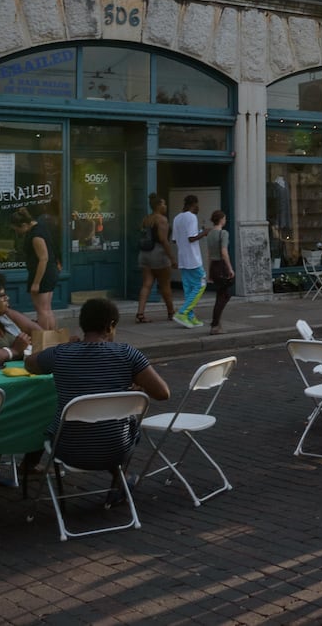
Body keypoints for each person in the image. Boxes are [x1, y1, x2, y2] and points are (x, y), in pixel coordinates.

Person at [26, 297, 169, 489]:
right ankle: (121, 477)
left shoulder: (61, 353)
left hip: (68, 450)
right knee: (118, 424)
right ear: (111, 326)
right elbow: (162, 393)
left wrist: (63, 345)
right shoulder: (127, 354)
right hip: (118, 449)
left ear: (82, 325)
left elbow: (30, 364)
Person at [11, 208, 59, 330]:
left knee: (41, 310)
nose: (17, 232)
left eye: (17, 229)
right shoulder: (41, 227)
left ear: (24, 225)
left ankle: (43, 340)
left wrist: (36, 283)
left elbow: (43, 258)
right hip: (50, 272)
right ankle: (51, 338)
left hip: (42, 273)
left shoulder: (35, 236)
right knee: (47, 309)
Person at [135, 195, 177, 323]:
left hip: (144, 253)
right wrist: (172, 258)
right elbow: (163, 240)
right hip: (158, 253)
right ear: (158, 206)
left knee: (147, 284)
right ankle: (171, 312)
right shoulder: (161, 220)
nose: (165, 206)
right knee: (165, 285)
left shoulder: (146, 219)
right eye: (163, 204)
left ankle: (140, 313)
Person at [172, 195, 208, 328]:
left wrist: (198, 233)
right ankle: (182, 313)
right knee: (200, 284)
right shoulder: (191, 217)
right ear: (194, 204)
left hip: (183, 258)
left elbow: (175, 240)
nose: (198, 208)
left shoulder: (177, 218)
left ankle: (190, 317)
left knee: (188, 289)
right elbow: (192, 238)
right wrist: (204, 232)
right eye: (197, 205)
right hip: (193, 259)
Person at [203, 209, 234, 334]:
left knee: (220, 294)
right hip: (221, 265)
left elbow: (209, 254)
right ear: (221, 220)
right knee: (224, 295)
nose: (225, 220)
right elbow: (224, 252)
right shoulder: (223, 233)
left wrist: (209, 271)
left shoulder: (210, 234)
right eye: (224, 218)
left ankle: (216, 323)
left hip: (214, 266)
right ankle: (215, 324)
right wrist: (230, 268)